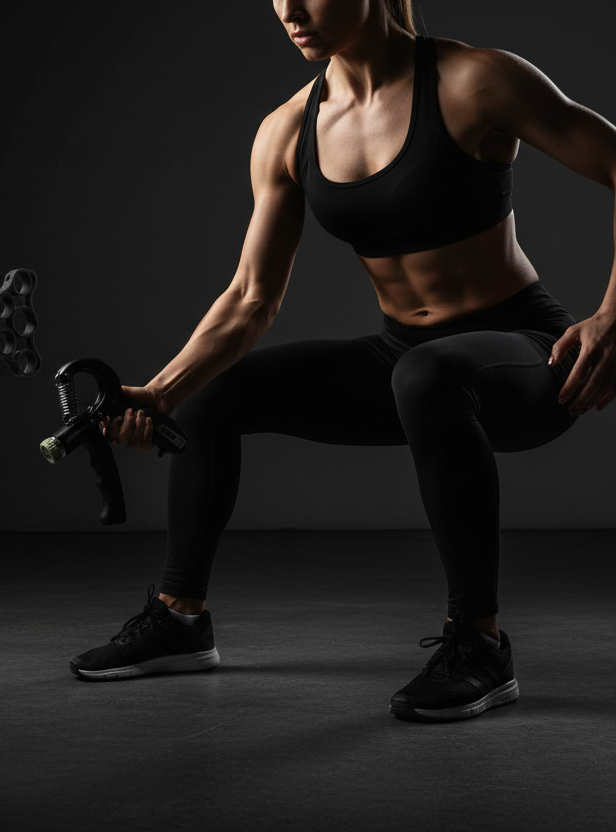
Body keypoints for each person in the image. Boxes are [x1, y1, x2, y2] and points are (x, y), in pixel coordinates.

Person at [69, 0, 615, 722]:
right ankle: (179, 618)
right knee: (213, 394)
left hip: (525, 358)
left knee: (427, 373)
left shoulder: (474, 81)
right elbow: (251, 297)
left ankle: (479, 643)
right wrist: (163, 393)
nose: (289, 9)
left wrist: (614, 314)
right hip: (407, 361)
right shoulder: (287, 130)